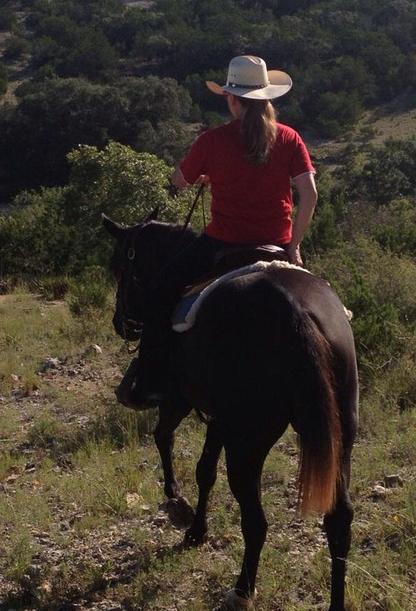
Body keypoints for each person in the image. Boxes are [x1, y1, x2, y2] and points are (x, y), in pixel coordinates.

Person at [119, 54, 318, 410]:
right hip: (276, 245)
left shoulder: (212, 141)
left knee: (161, 294)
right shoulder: (290, 138)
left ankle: (150, 384)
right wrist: (293, 245)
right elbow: (310, 194)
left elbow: (178, 181)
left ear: (230, 98)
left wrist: (206, 173)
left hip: (222, 244)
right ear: (266, 97)